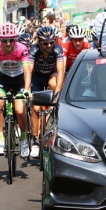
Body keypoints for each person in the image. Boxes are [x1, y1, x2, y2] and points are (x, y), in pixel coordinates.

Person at [0, 23, 31, 159]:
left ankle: (23, 139)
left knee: (19, 110)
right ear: (0, 40)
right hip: (4, 79)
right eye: (4, 40)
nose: (7, 43)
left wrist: (27, 90)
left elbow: (27, 71)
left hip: (19, 80)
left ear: (15, 40)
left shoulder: (22, 49)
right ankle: (1, 139)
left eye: (11, 40)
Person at [25, 26, 65, 158]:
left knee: (54, 84)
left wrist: (58, 91)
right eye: (45, 43)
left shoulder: (57, 49)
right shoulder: (34, 50)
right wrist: (28, 90)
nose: (49, 45)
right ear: (39, 43)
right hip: (37, 77)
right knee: (35, 109)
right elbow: (29, 71)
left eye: (51, 42)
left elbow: (60, 71)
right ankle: (36, 141)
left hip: (50, 75)